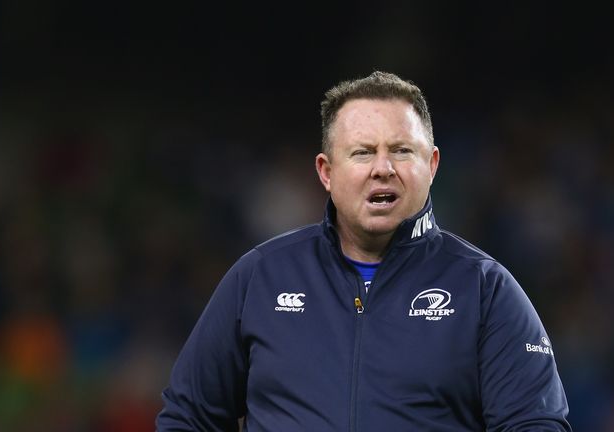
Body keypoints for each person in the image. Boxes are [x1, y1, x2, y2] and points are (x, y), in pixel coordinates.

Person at [156, 71, 572, 431]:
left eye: (402, 151)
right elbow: (187, 416)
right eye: (362, 152)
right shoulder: (261, 277)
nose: (383, 168)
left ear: (432, 165)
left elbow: (535, 423)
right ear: (326, 172)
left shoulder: (485, 289)